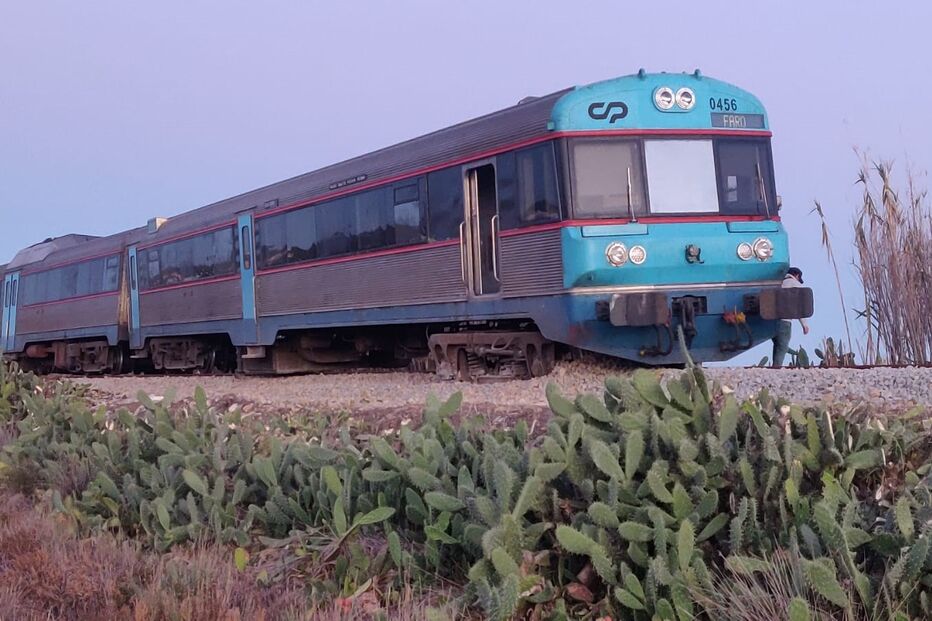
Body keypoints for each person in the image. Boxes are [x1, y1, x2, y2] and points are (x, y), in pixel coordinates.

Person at [772, 267, 810, 368]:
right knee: (782, 346)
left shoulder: (776, 283)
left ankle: (774, 367)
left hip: (771, 320)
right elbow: (799, 306)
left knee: (777, 345)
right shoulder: (795, 285)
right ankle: (776, 368)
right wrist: (804, 324)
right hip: (785, 321)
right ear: (797, 276)